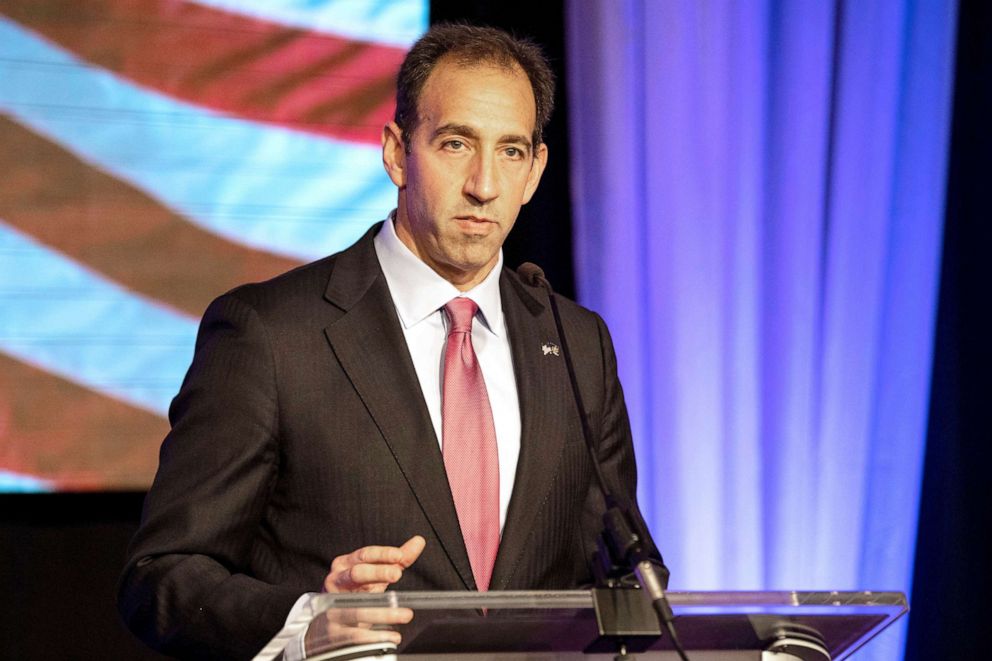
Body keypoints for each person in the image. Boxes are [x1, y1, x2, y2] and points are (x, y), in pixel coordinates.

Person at [118, 23, 646, 660]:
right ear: (398, 152)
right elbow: (164, 577)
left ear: (535, 170)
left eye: (510, 151)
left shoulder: (578, 344)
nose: (484, 184)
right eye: (456, 144)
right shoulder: (272, 335)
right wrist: (304, 619)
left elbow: (625, 569)